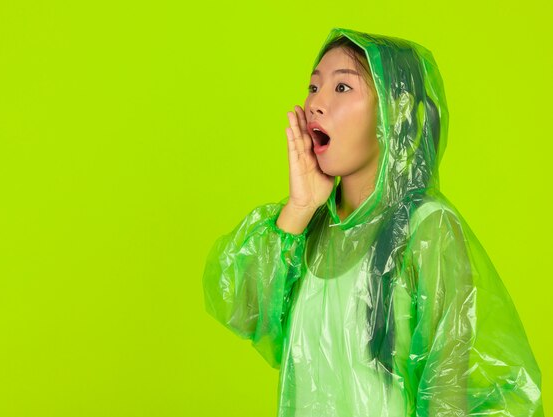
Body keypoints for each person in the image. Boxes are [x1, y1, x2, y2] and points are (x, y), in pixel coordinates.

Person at [201, 27, 544, 417]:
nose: (316, 104)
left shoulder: (427, 230)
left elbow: (448, 396)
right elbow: (243, 311)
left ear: (393, 111)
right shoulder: (307, 229)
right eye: (313, 88)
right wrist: (299, 207)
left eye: (342, 88)